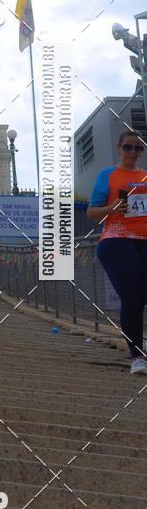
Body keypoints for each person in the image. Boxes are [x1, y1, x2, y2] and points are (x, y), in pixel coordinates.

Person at [88, 130, 147, 375]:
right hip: (117, 240)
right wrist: (111, 208)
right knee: (133, 295)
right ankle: (137, 357)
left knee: (142, 296)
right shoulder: (108, 176)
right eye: (128, 147)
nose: (132, 153)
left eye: (137, 148)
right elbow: (91, 213)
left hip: (144, 240)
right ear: (119, 148)